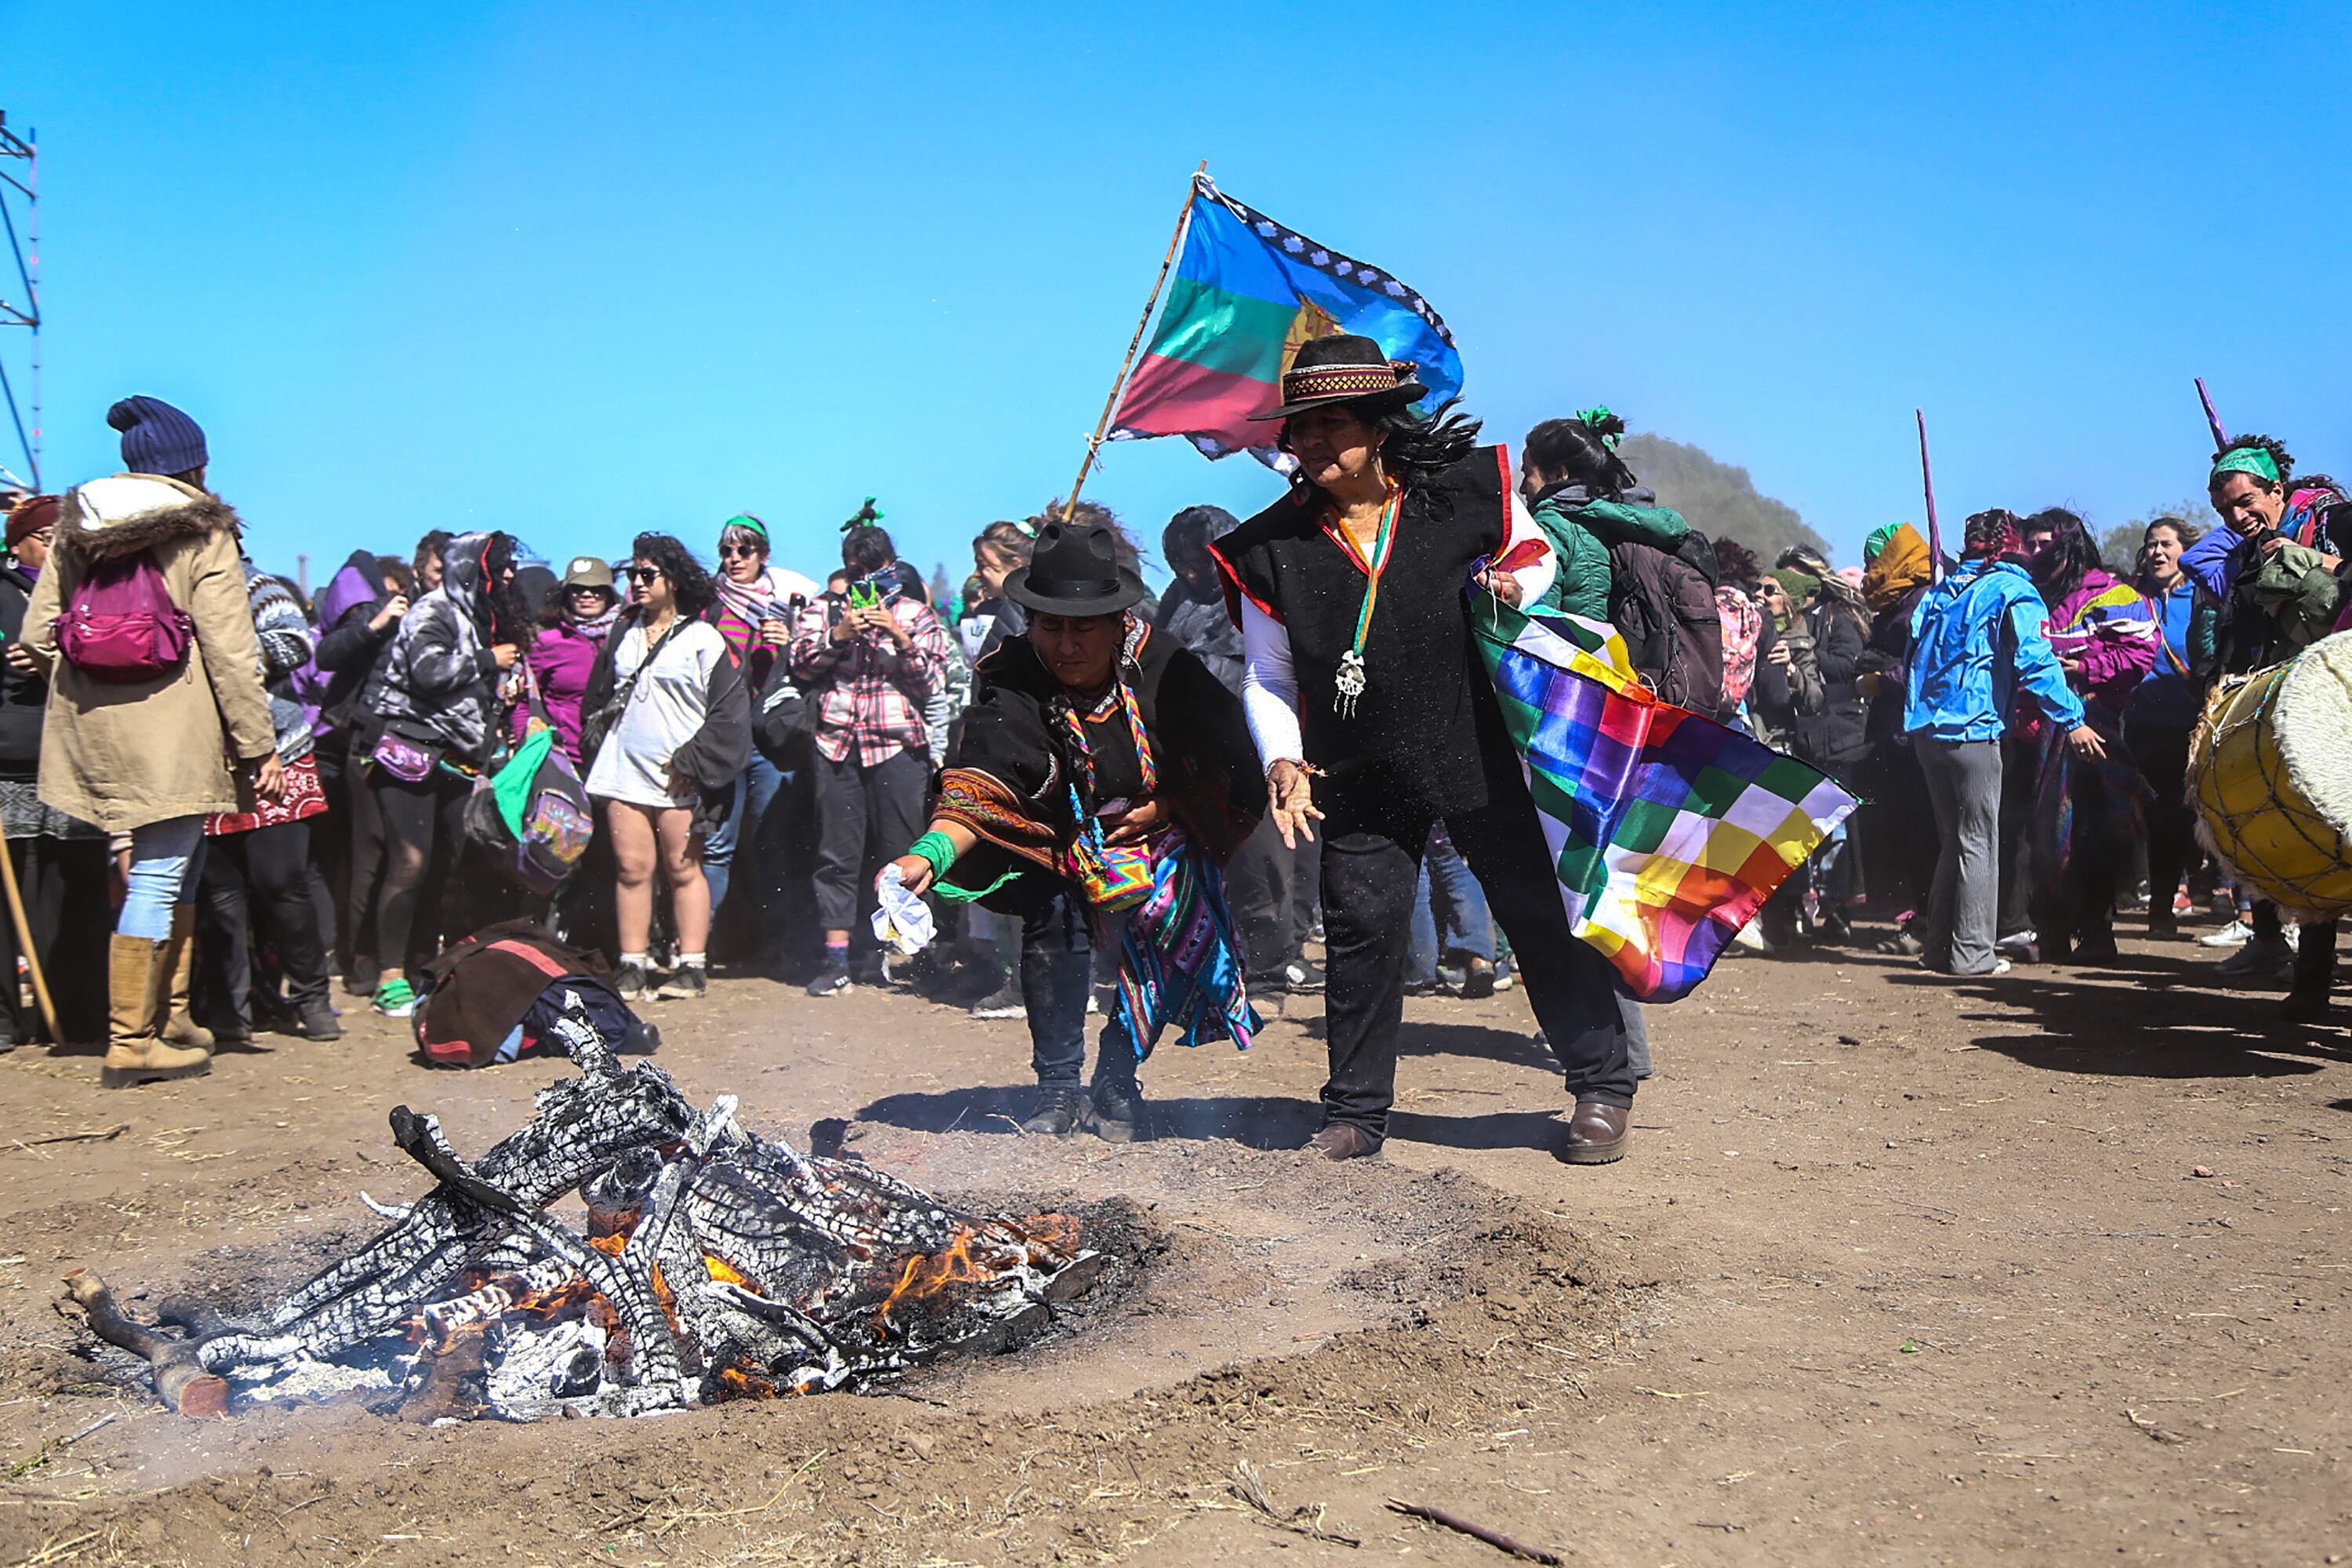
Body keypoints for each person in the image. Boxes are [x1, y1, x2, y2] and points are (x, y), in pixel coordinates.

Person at [1208, 335, 1641, 1164]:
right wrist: (1283, 761)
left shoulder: (1466, 487)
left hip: (1478, 749)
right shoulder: (1270, 546)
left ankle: (1601, 1083)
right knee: (1363, 933)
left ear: (1380, 425)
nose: (1310, 444)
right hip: (1358, 768)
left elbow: (1535, 552)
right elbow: (1266, 675)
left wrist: (1516, 585)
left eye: (1331, 425)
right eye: (1299, 430)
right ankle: (1355, 1113)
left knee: (1536, 917)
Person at [882, 519, 1265, 1138]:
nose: (1065, 645)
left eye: (1084, 627)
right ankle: (1057, 1086)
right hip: (1054, 830)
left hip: (1158, 830)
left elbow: (1231, 758)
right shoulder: (1008, 673)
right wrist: (925, 858)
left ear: (1118, 623)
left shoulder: (1164, 665)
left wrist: (1167, 807)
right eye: (1049, 626)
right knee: (1053, 917)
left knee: (1173, 918)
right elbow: (981, 783)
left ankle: (1117, 1073)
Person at [22, 397, 282, 1086]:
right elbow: (232, 650)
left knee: (177, 869)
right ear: (192, 465)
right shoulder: (205, 532)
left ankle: (171, 1020)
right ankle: (131, 1040)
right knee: (162, 873)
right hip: (177, 726)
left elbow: (34, 634)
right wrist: (258, 746)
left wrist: (92, 682)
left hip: (90, 730)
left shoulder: (75, 527)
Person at [2183, 435, 2351, 1014]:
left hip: (2341, 700)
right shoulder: (2244, 552)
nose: (2237, 516)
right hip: (2288, 704)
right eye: (2226, 508)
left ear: (2278, 489)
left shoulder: (2332, 517)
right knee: (2308, 827)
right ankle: (2309, 985)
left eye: (2247, 500)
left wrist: (2330, 566)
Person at [1904, 509, 2101, 978]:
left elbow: (1914, 658)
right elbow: (2036, 660)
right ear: (2013, 546)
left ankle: (1939, 950)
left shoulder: (1940, 592)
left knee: (1954, 840)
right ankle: (1973, 953)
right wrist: (2072, 718)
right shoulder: (2014, 591)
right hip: (1973, 731)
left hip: (1927, 732)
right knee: (1978, 842)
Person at [357, 531, 525, 1017]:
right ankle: (390, 975)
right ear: (475, 569)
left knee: (446, 867)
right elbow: (429, 672)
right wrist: (488, 660)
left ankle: (421, 967)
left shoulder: (483, 617)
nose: (510, 575)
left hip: (457, 758)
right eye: (502, 566)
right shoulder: (434, 609)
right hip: (408, 750)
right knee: (409, 863)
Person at [1157, 504, 1321, 996]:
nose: (1188, 571)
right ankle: (1246, 959)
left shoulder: (1256, 591)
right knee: (1239, 862)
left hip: (1271, 750)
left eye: (1198, 560)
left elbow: (1271, 669)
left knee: (1285, 857)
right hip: (1202, 756)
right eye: (1179, 560)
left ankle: (1276, 961)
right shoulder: (1175, 602)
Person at [581, 533, 750, 1002]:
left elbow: (728, 712)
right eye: (631, 574)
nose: (636, 583)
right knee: (632, 868)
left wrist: (693, 761)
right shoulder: (624, 632)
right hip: (624, 770)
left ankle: (691, 966)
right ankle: (632, 964)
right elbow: (597, 698)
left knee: (683, 867)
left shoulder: (703, 638)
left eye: (646, 574)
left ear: (672, 581)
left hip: (680, 774)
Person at [787, 528, 950, 996]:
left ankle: (908, 955)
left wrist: (897, 636)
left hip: (897, 747)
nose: (867, 582)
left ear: (892, 565)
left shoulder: (916, 614)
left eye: (875, 570)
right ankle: (837, 957)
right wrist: (838, 636)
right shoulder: (823, 611)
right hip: (837, 745)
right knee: (835, 855)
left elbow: (932, 682)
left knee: (904, 855)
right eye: (857, 571)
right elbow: (799, 665)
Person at [195, 565, 338, 1043]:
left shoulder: (258, 587)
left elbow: (296, 642)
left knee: (281, 882)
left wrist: (221, 650)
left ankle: (312, 997)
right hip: (202, 757)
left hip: (277, 751)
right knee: (221, 893)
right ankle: (229, 1009)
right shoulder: (170, 590)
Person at [1519, 410, 1724, 717]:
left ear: (1560, 474)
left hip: (1575, 694)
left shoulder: (1552, 524)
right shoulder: (1633, 519)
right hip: (1639, 697)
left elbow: (1540, 626)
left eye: (1527, 474)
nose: (1523, 489)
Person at [0, 495, 109, 1050]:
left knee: (76, 892)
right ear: (16, 542)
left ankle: (74, 1012)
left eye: (62, 541)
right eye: (44, 539)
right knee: (8, 895)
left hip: (75, 757)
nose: (53, 550)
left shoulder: (89, 594)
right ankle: (4, 1019)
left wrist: (57, 660)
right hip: (10, 762)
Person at [2024, 512, 2158, 964]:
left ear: (2071, 545)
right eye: (2033, 544)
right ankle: (2051, 933)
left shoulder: (2113, 594)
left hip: (2095, 731)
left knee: (2092, 834)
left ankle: (2097, 932)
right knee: (2040, 835)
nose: (2039, 552)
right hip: (2032, 735)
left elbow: (2140, 652)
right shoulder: (2028, 596)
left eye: (2048, 544)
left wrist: (2083, 668)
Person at [701, 515, 821, 968]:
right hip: (722, 737)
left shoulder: (788, 605)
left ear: (763, 556)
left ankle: (781, 947)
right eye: (727, 552)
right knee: (717, 844)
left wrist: (789, 643)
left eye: (744, 551)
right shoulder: (709, 607)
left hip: (771, 740)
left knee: (774, 841)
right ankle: (706, 947)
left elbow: (807, 671)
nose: (734, 560)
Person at [312, 550, 414, 996]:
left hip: (408, 751)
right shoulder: (374, 618)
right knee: (367, 856)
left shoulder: (423, 618)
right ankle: (360, 960)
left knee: (400, 857)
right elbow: (327, 654)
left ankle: (390, 957)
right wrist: (375, 623)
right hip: (364, 749)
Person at [2124, 517, 2215, 940]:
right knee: (2156, 818)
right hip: (2142, 726)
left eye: (2166, 544)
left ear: (2185, 550)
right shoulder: (2129, 598)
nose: (2157, 552)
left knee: (2191, 816)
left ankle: (2208, 900)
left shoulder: (2202, 597)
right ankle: (2158, 908)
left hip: (2194, 725)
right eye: (2151, 545)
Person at [1855, 523, 1939, 955]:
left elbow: (1927, 666)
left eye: (1877, 558)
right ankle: (1923, 917)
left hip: (1914, 732)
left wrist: (1880, 680)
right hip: (1892, 732)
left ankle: (1931, 924)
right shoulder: (1894, 600)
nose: (1872, 569)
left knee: (1925, 832)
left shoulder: (1924, 598)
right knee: (1907, 833)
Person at [521, 555, 622, 766]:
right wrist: (527, 746)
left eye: (596, 590)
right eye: (577, 589)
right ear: (566, 595)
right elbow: (524, 701)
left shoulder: (628, 636)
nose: (587, 595)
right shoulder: (549, 641)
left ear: (609, 594)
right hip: (564, 758)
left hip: (616, 759)